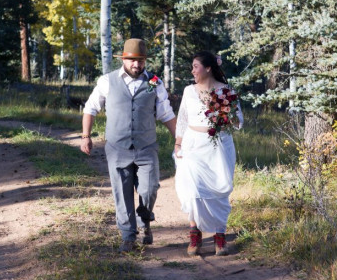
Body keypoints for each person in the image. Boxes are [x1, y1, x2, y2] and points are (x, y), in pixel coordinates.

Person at [80, 38, 177, 254]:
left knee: (150, 188)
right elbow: (90, 108)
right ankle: (128, 236)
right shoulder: (108, 81)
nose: (136, 65)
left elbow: (166, 113)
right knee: (122, 192)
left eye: (140, 61)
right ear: (123, 59)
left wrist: (180, 140)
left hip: (146, 146)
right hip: (117, 147)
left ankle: (145, 221)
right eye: (132, 60)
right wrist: (85, 136)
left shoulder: (154, 82)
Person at [173, 51, 243, 256]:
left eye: (195, 66)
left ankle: (220, 236)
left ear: (208, 68)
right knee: (192, 190)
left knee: (219, 191)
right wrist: (178, 144)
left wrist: (227, 113)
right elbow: (183, 118)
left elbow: (238, 121)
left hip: (219, 145)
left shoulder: (226, 90)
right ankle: (194, 233)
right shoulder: (188, 91)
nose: (192, 70)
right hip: (193, 145)